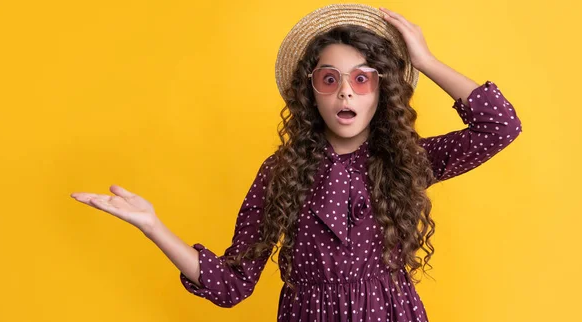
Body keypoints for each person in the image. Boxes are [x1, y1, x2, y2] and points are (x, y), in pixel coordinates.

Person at [71, 4, 522, 321]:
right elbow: (231, 285)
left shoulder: (405, 160)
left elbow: (499, 125)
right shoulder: (280, 172)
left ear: (382, 92)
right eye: (330, 79)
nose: (346, 92)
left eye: (362, 80)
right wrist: (154, 226)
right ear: (311, 93)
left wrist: (424, 61)